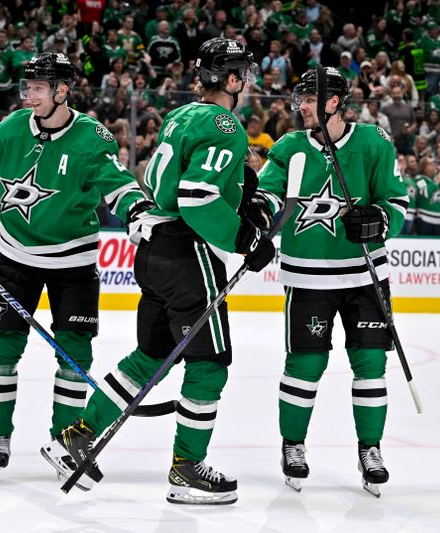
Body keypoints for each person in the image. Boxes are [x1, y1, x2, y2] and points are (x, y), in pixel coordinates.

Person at [40, 38, 274, 505]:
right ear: (229, 79)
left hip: (151, 251)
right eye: (242, 74)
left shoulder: (181, 115)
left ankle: (76, 436)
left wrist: (237, 191)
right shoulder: (226, 125)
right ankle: (187, 470)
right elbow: (198, 198)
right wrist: (245, 238)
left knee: (150, 354)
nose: (246, 82)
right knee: (210, 364)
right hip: (189, 255)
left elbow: (170, 182)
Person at [0, 52, 151, 481]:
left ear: (62, 91)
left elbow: (118, 185)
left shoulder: (92, 138)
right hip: (15, 259)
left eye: (38, 88)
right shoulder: (11, 129)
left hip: (74, 262)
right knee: (1, 351)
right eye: (27, 87)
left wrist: (139, 211)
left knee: (74, 355)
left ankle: (65, 440)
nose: (29, 95)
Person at [255, 67, 408, 496]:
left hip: (366, 274)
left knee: (371, 367)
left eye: (308, 99)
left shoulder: (373, 141)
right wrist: (259, 215)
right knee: (305, 366)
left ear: (334, 102)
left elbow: (395, 201)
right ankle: (293, 445)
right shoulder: (288, 146)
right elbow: (269, 194)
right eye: (299, 99)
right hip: (307, 276)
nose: (300, 107)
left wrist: (378, 219)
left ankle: (370, 449)